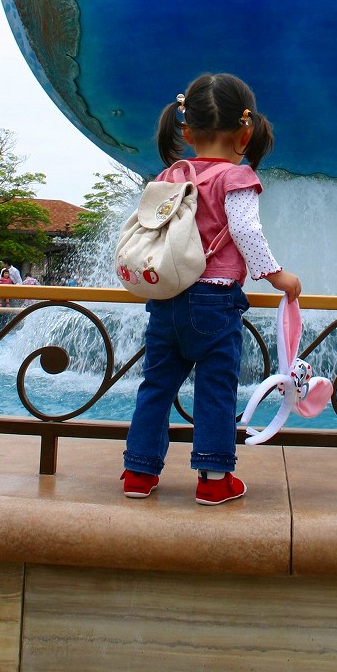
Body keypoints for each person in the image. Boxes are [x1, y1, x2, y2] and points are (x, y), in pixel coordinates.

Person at [122, 73, 301, 507]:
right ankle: (214, 478)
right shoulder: (235, 178)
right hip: (214, 300)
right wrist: (277, 276)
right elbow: (245, 230)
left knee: (156, 387)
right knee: (216, 389)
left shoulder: (172, 174)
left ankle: (138, 473)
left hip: (166, 297)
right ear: (246, 131)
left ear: (185, 131)